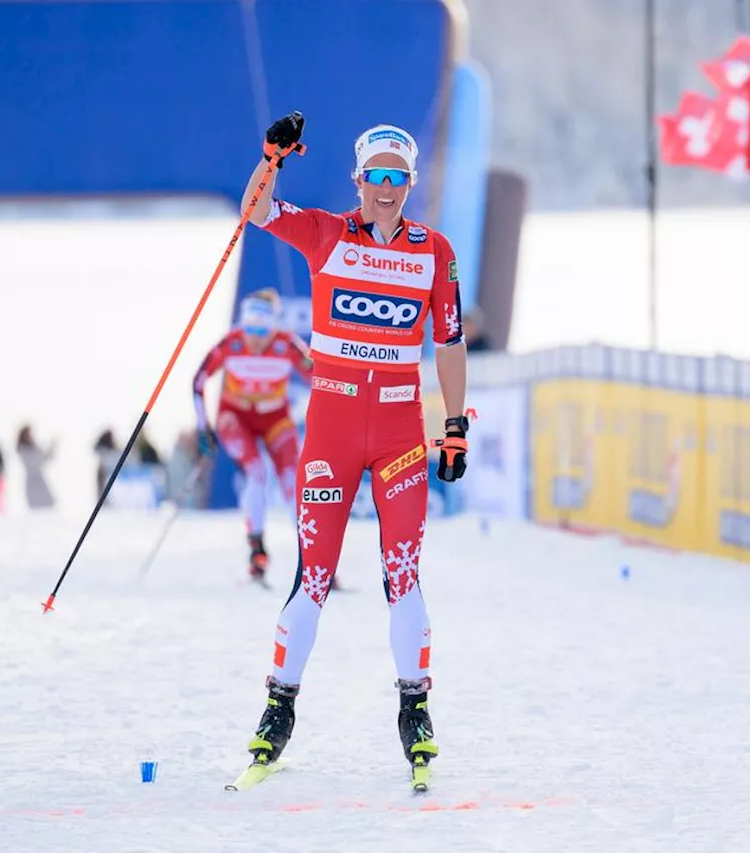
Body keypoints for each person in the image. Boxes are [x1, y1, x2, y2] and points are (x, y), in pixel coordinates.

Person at [234, 113, 470, 787]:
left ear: (411, 181)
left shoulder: (435, 251)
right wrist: (271, 157)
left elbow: (448, 343)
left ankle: (415, 708)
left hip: (397, 433)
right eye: (377, 176)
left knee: (403, 571)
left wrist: (454, 423)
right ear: (358, 179)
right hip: (332, 431)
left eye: (399, 177)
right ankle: (279, 705)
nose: (387, 188)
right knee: (314, 574)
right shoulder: (327, 233)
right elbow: (253, 209)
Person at [192, 287, 314, 585]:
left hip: (275, 419)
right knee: (256, 472)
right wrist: (203, 427)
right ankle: (257, 554)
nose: (255, 338)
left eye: (262, 329)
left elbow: (320, 381)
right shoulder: (232, 344)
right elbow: (198, 382)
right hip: (237, 418)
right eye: (250, 328)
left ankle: (314, 561)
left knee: (292, 482)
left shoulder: (287, 345)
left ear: (273, 327)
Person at [16, 425, 56, 510]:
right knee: (36, 507)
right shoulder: (22, 450)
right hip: (32, 482)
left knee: (48, 504)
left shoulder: (36, 447)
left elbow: (46, 457)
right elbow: (35, 463)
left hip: (40, 480)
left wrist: (53, 447)